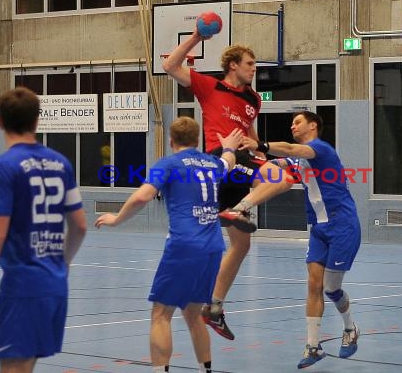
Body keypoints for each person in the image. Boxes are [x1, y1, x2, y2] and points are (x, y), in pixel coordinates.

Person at [162, 31, 293, 340]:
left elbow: (248, 127)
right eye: (250, 63)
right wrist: (196, 36)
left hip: (244, 157)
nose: (254, 68)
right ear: (233, 65)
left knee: (241, 244)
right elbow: (169, 66)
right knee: (283, 177)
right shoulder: (209, 86)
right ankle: (240, 208)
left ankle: (214, 308)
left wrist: (257, 145)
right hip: (220, 159)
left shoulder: (253, 98)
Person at [0, 87, 87, 373]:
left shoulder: (3, 167)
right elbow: (79, 225)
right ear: (37, 121)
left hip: (22, 286)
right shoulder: (61, 163)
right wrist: (62, 262)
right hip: (55, 285)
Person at [94, 117, 243, 373]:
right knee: (195, 314)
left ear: (171, 140)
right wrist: (228, 146)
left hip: (184, 246)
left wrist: (117, 219)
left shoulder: (169, 164)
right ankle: (205, 369)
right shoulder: (211, 162)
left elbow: (143, 195)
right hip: (213, 247)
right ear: (197, 140)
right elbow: (228, 161)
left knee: (161, 313)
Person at [241, 110, 361, 369]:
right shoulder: (299, 160)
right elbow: (279, 163)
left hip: (342, 225)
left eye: (297, 122)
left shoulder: (320, 149)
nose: (292, 126)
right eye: (292, 124)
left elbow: (289, 150)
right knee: (313, 285)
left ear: (313, 125)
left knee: (331, 288)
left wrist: (262, 144)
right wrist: (250, 161)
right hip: (318, 228)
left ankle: (350, 328)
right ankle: (313, 346)